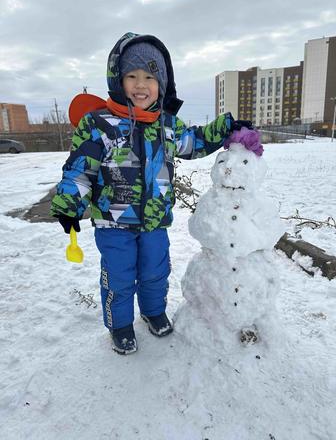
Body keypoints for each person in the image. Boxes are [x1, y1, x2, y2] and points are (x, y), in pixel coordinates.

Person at [50, 32, 261, 355]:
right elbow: (81, 168)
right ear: (117, 80)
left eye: (149, 77)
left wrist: (225, 128)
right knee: (119, 277)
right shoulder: (99, 124)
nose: (139, 84)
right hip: (113, 222)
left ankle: (152, 311)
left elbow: (194, 142)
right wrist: (69, 203)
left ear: (161, 84)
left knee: (155, 271)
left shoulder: (166, 125)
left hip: (155, 220)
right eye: (131, 76)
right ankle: (119, 325)